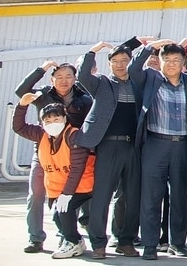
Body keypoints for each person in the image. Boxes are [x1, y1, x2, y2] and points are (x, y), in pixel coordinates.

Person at [130, 40, 187, 260]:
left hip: (183, 145)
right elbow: (133, 69)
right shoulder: (151, 78)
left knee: (179, 197)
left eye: (176, 60)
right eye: (167, 60)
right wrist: (149, 47)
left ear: (183, 63)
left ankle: (177, 243)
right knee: (151, 197)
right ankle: (150, 244)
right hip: (155, 144)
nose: (171, 64)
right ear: (160, 61)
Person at [15, 58, 92, 255]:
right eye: (59, 77)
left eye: (68, 76)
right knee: (37, 194)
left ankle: (66, 238)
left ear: (75, 79)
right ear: (52, 79)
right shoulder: (42, 95)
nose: (64, 81)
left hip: (71, 155)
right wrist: (42, 68)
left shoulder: (85, 99)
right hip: (44, 154)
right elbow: (21, 92)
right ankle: (35, 238)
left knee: (68, 196)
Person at [76, 41, 142, 259]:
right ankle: (98, 243)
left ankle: (125, 241)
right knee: (102, 196)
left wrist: (146, 46)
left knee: (131, 196)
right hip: (108, 146)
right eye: (115, 61)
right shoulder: (102, 84)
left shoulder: (138, 84)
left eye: (124, 61)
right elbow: (83, 74)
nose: (120, 65)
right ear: (109, 64)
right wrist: (93, 50)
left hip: (133, 146)